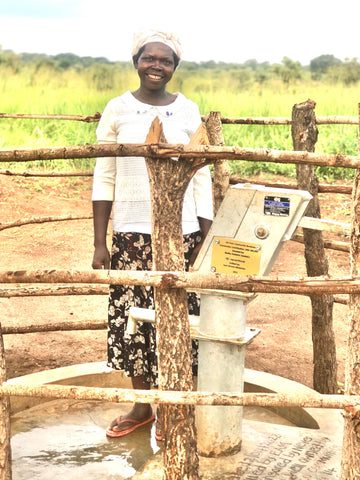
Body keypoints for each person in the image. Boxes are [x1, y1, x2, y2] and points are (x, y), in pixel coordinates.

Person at [91, 30, 213, 439]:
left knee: (182, 321)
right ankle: (143, 407)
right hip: (131, 234)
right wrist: (99, 241)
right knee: (135, 324)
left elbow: (201, 178)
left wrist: (207, 238)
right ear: (136, 61)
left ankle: (176, 408)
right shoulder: (117, 109)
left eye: (165, 60)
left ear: (175, 67)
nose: (157, 66)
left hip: (185, 233)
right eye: (149, 58)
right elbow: (104, 174)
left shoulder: (189, 110)